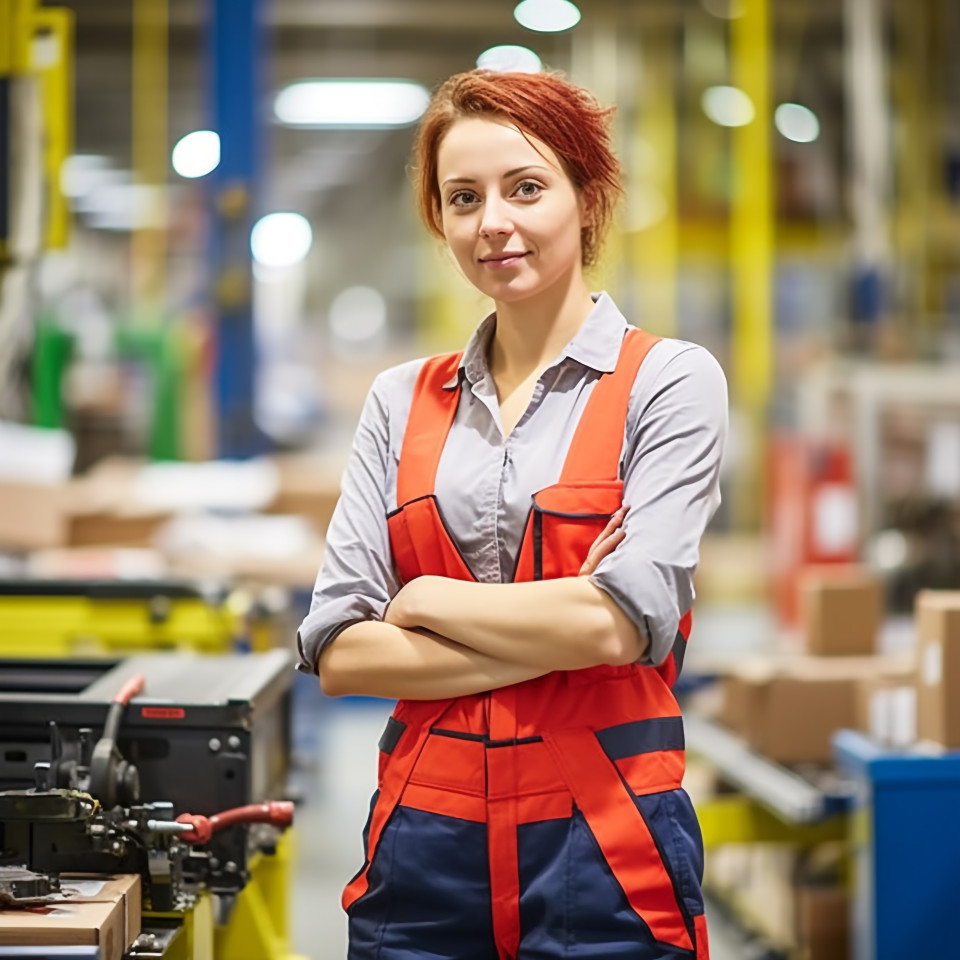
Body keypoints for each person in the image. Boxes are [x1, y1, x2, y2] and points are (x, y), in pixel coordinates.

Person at [297, 68, 727, 960]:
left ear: (585, 193)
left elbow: (620, 624)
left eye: (525, 188)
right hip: (422, 845)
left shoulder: (670, 383)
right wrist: (561, 624)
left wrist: (419, 599)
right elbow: (339, 651)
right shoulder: (397, 401)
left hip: (605, 841)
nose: (493, 221)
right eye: (463, 197)